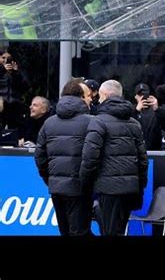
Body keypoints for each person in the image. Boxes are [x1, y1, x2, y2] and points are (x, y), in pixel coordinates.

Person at [80, 80, 148, 236]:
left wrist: (85, 184)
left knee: (109, 231)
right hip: (130, 188)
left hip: (107, 188)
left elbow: (90, 157)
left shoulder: (98, 121)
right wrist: (139, 186)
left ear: (104, 95)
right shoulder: (134, 123)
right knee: (119, 230)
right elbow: (142, 160)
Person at [34, 79, 94, 236]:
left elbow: (40, 157)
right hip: (79, 189)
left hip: (57, 188)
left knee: (65, 231)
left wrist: (51, 179)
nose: (90, 99)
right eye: (88, 96)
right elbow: (94, 157)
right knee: (80, 231)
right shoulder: (92, 122)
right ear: (81, 97)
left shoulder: (49, 123)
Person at [133, 83, 165, 151]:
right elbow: (125, 125)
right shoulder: (132, 110)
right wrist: (137, 110)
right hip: (136, 151)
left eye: (145, 95)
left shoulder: (158, 110)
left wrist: (157, 109)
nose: (143, 97)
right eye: (140, 95)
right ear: (136, 96)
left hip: (155, 151)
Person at [0, 50, 29, 129]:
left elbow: (25, 87)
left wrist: (16, 72)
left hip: (14, 105)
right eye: (3, 58)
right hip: (2, 105)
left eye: (8, 58)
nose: (5, 60)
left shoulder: (17, 71)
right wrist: (2, 70)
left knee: (14, 129)